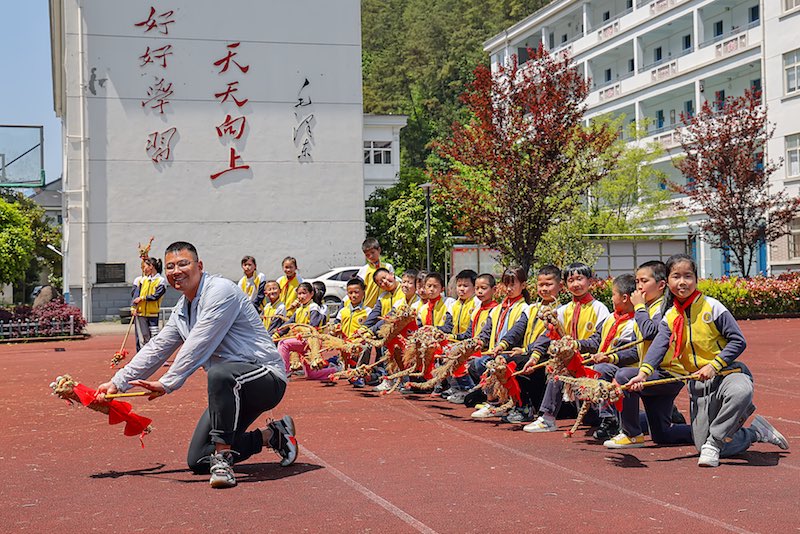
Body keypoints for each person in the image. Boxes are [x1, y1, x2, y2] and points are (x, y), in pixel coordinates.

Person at [97, 241, 297, 489]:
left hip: (265, 378)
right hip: (230, 390)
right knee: (199, 459)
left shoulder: (221, 291)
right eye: (170, 266)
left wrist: (168, 382)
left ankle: (223, 460)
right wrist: (117, 383)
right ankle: (273, 435)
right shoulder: (183, 309)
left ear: (199, 266)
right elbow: (157, 347)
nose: (176, 271)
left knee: (220, 374)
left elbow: (199, 343)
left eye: (183, 264)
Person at [625, 254, 789, 466]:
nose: (682, 282)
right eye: (676, 276)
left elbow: (738, 341)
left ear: (696, 279)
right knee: (705, 445)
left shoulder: (712, 307)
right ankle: (755, 432)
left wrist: (714, 365)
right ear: (668, 281)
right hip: (699, 385)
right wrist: (642, 374)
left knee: (741, 392)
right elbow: (658, 347)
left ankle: (715, 441)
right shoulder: (670, 317)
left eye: (688, 276)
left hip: (728, 374)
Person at [605, 260, 693, 449]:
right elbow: (640, 348)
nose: (638, 287)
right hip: (651, 372)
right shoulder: (648, 307)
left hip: (668, 374)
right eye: (637, 281)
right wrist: (610, 356)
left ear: (661, 285)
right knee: (663, 434)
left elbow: (650, 333)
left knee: (622, 376)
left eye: (644, 281)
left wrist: (639, 307)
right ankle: (714, 433)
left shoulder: (663, 308)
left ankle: (632, 434)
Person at [522, 262, 610, 432]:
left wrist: (575, 345)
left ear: (590, 281)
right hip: (570, 364)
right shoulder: (563, 311)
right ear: (565, 285)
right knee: (556, 372)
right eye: (571, 280)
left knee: (593, 419)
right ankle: (547, 418)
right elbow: (548, 336)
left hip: (590, 363)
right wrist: (534, 358)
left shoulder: (599, 308)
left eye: (580, 279)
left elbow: (599, 340)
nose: (575, 284)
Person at [468, 267, 530, 417]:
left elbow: (515, 333)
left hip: (512, 352)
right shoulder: (497, 309)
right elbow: (486, 332)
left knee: (484, 363)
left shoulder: (525, 308)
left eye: (512, 285)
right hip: (496, 351)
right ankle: (494, 398)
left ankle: (496, 402)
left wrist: (502, 346)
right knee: (474, 362)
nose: (508, 289)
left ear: (523, 285)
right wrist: (475, 343)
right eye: (505, 284)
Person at [446, 273, 498, 404]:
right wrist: (450, 337)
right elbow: (468, 334)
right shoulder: (477, 310)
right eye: (477, 288)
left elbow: (485, 337)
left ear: (494, 290)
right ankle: (462, 388)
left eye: (484, 288)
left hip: (487, 351)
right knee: (449, 351)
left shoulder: (495, 310)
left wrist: (470, 348)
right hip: (474, 347)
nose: (479, 291)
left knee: (474, 361)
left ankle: (478, 391)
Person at [131, 257, 167, 351]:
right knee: (144, 337)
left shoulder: (161, 281)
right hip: (141, 313)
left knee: (154, 336)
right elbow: (136, 295)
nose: (144, 269)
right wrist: (133, 308)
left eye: (145, 266)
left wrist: (143, 298)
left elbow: (156, 296)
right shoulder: (143, 280)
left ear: (151, 267)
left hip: (153, 313)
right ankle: (143, 356)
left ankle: (156, 355)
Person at [357, 238, 394, 308]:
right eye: (367, 255)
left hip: (386, 305)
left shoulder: (388, 267)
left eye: (373, 252)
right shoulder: (364, 270)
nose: (371, 256)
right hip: (368, 307)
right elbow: (359, 290)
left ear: (379, 250)